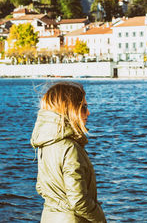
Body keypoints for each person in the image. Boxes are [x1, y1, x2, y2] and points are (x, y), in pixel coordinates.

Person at [31, 81, 106, 223]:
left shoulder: (45, 142)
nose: (88, 112)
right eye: (83, 107)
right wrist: (100, 218)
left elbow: (41, 187)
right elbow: (78, 200)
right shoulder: (70, 148)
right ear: (69, 109)